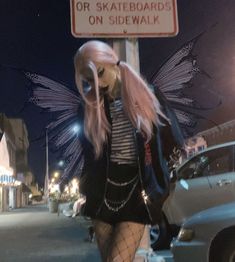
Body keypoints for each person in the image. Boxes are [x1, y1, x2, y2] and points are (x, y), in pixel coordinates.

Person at [73, 40, 183, 262]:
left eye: (100, 73)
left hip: (136, 196)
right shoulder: (89, 107)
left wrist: (161, 179)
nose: (97, 84)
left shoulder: (147, 95)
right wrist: (87, 190)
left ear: (111, 62)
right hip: (102, 196)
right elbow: (89, 157)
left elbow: (173, 140)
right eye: (88, 81)